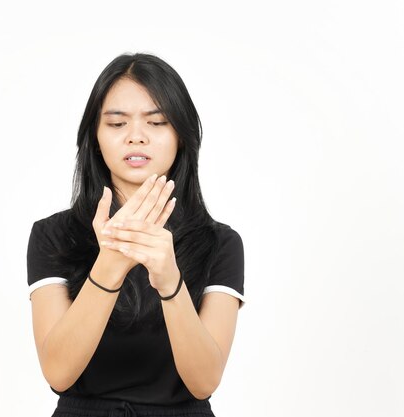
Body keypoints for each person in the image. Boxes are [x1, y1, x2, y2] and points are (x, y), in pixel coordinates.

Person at [26, 52, 245, 417]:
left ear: (181, 136)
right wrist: (110, 263)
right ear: (95, 137)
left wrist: (169, 280)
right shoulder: (53, 235)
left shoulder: (220, 244)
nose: (136, 137)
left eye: (157, 122)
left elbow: (204, 382)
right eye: (117, 124)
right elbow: (58, 373)